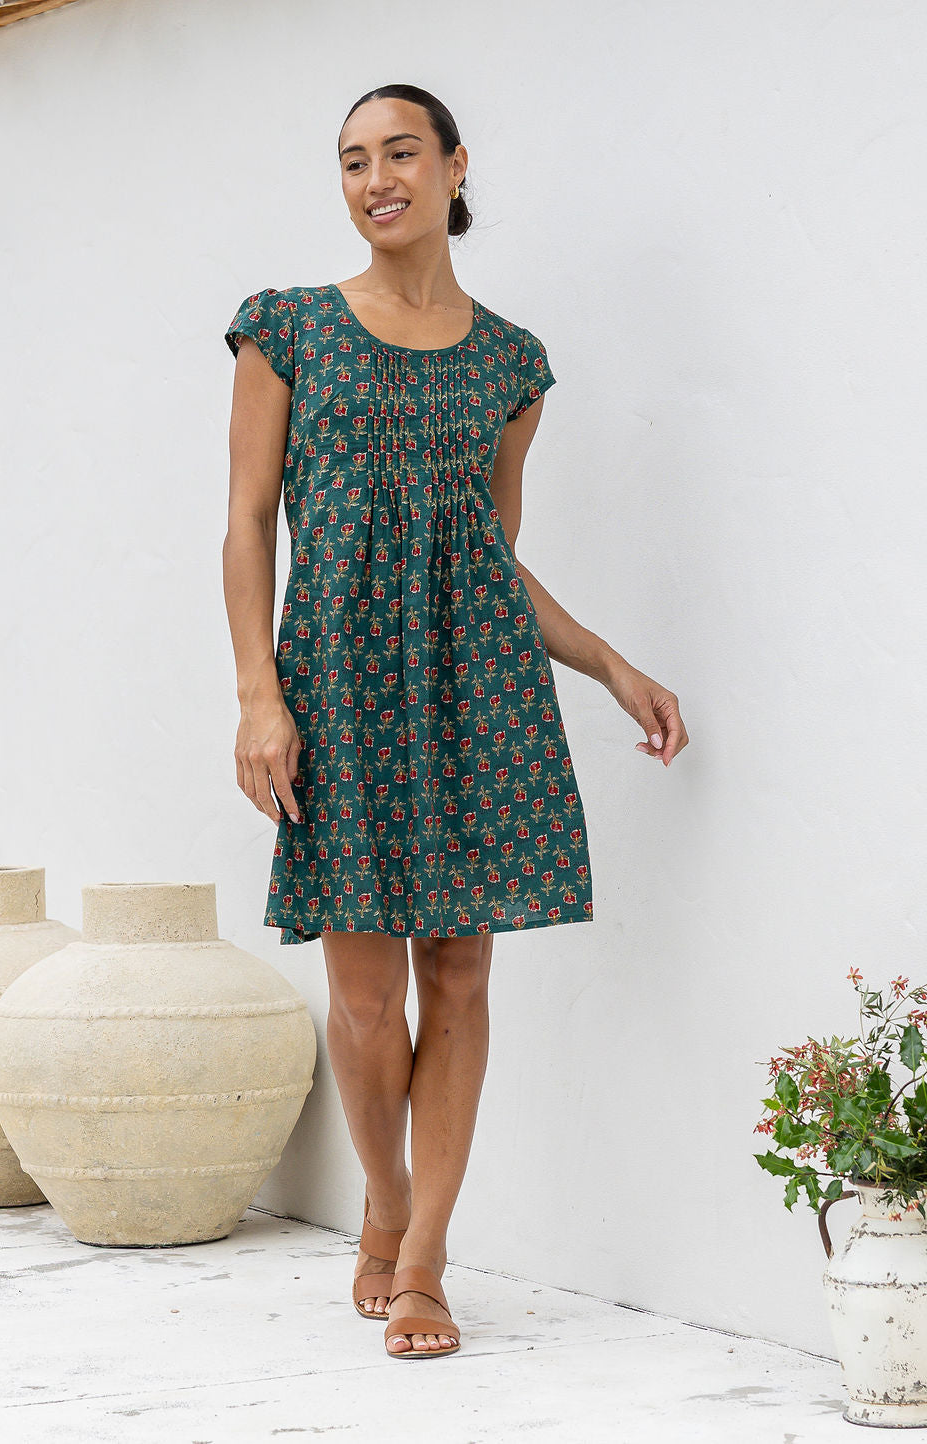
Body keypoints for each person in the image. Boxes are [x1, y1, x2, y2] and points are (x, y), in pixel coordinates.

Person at [222, 82, 688, 1361]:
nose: (376, 178)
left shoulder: (511, 366)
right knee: (366, 995)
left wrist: (604, 662)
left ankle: (425, 1257)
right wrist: (260, 694)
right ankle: (383, 1197)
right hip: (339, 687)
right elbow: (247, 521)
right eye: (352, 160)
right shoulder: (289, 332)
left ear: (453, 167)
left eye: (399, 153)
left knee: (463, 970)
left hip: (475, 685)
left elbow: (485, 557)